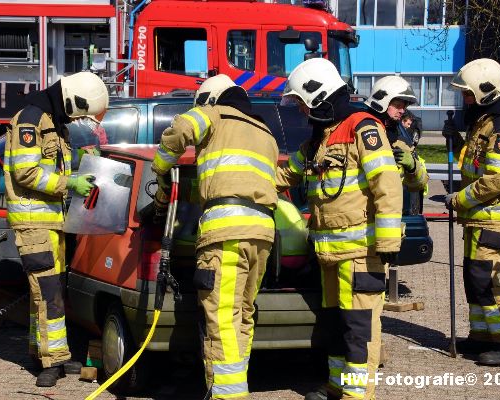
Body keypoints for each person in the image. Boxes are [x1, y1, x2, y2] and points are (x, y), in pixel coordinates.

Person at [275, 58, 402, 400]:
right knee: (334, 325)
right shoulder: (321, 137)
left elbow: (387, 184)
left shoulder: (363, 128)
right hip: (329, 253)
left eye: (302, 102)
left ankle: (357, 395)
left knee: (359, 329)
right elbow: (287, 174)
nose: (300, 110)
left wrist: (389, 239)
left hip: (361, 253)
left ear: (318, 97)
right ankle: (337, 385)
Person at [151, 74, 278, 400]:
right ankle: (234, 386)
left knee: (221, 318)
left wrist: (161, 167)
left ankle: (226, 395)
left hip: (225, 233)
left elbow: (180, 130)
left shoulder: (213, 113)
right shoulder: (265, 131)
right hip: (263, 234)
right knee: (243, 316)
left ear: (210, 98)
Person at [3, 71, 109, 387]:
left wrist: (83, 165)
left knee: (47, 293)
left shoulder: (52, 121)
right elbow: (25, 172)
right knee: (48, 292)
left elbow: (53, 166)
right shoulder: (31, 119)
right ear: (72, 100)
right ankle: (52, 361)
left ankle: (45, 352)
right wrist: (68, 183)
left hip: (51, 222)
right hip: (33, 222)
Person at [443, 58, 500, 366]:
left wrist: (458, 200)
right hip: (478, 218)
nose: (464, 99)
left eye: (467, 93)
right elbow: (476, 165)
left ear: (485, 92)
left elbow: (496, 179)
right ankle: (481, 337)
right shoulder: (485, 123)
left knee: (485, 280)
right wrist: (457, 139)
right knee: (472, 279)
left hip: (493, 219)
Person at [364, 76, 429, 215]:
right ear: (382, 101)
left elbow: (421, 182)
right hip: (363, 214)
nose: (402, 111)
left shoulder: (402, 141)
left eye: (404, 107)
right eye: (398, 105)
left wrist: (412, 167)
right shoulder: (360, 133)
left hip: (390, 214)